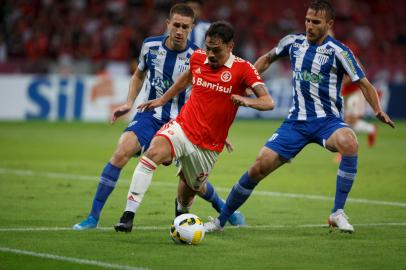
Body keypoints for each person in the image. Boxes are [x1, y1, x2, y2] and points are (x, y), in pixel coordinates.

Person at [204, 0, 395, 234]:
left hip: (328, 122)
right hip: (295, 123)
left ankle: (337, 212)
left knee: (350, 141)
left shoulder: (339, 51)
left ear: (329, 24)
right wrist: (246, 81)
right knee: (258, 167)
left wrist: (377, 110)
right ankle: (220, 221)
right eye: (307, 20)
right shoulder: (293, 42)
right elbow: (266, 58)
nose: (309, 26)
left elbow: (364, 83)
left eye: (316, 22)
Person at [73, 4, 243, 231]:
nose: (180, 31)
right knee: (121, 151)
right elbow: (139, 74)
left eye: (185, 27)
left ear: (192, 28)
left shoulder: (199, 57)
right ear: (168, 24)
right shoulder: (150, 46)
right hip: (150, 116)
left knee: (193, 183)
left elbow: (210, 97)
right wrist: (128, 103)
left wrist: (217, 130)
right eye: (176, 25)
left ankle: (223, 209)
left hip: (184, 122)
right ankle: (93, 218)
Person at [114, 21, 274, 233]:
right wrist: (163, 100)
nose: (210, 54)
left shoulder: (243, 69)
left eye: (216, 50)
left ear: (230, 46)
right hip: (183, 127)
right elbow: (186, 78)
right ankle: (128, 215)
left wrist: (247, 101)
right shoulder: (199, 57)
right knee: (153, 152)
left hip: (209, 146)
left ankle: (180, 217)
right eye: (208, 47)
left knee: (187, 193)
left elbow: (268, 102)